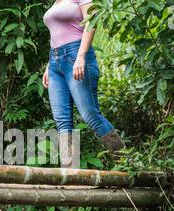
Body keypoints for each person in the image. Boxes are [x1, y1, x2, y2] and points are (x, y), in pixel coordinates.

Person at [43, 0, 125, 167]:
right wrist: (48, 65)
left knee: (90, 115)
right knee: (62, 121)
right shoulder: (57, 1)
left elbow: (92, 20)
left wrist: (81, 56)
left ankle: (128, 164)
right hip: (55, 62)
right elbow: (57, 34)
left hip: (76, 55)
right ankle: (70, 174)